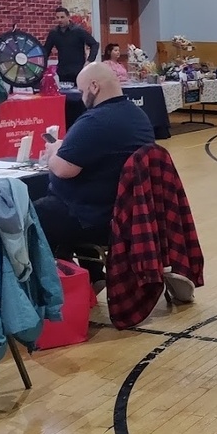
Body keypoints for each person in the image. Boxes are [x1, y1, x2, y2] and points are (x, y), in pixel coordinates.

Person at [34, 62, 157, 292]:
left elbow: (62, 169)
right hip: (130, 214)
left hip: (97, 218)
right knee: (62, 206)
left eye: (81, 92)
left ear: (94, 86)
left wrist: (53, 152)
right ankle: (93, 276)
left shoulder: (94, 122)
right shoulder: (139, 117)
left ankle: (50, 289)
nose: (81, 98)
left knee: (35, 214)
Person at [43, 7, 99, 86]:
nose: (59, 20)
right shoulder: (54, 33)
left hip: (79, 71)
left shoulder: (78, 31)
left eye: (62, 17)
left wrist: (89, 61)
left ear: (68, 17)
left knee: (79, 95)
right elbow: (46, 51)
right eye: (57, 17)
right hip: (63, 72)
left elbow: (94, 44)